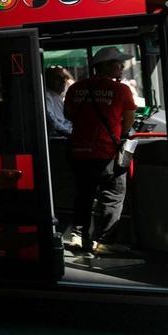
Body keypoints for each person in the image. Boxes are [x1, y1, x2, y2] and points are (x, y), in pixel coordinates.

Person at [63, 47, 137, 258]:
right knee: (112, 195)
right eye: (117, 63)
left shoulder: (76, 87)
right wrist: (116, 133)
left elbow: (68, 114)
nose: (121, 67)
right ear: (104, 66)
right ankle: (104, 240)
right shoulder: (121, 90)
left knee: (83, 194)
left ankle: (79, 236)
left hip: (78, 152)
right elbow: (129, 120)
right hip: (106, 152)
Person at [44, 66, 73, 137]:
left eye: (64, 78)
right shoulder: (47, 97)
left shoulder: (57, 97)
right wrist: (70, 133)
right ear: (48, 79)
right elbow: (53, 122)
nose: (63, 81)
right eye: (58, 78)